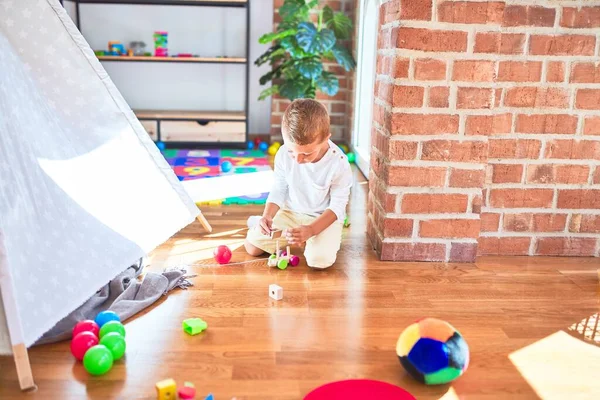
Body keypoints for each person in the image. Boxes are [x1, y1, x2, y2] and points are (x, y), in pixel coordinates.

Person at [244, 99, 352, 269]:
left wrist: (311, 230)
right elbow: (279, 188)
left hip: (322, 218)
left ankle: (317, 238)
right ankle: (260, 221)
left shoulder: (339, 163)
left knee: (319, 261)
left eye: (307, 153)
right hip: (291, 213)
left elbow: (337, 207)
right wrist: (268, 215)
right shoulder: (282, 154)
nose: (298, 159)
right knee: (252, 248)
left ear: (326, 139)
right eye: (291, 151)